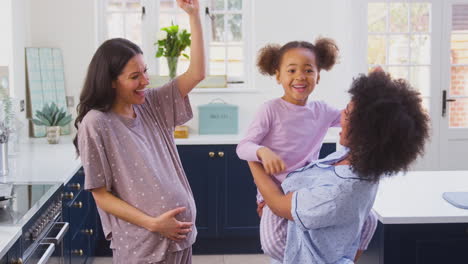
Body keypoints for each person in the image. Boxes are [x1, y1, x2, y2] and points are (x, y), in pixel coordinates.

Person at [248, 71, 430, 263]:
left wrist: (253, 156)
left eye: (348, 113)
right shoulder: (349, 159)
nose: (341, 115)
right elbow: (369, 221)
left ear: (365, 132)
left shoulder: (341, 191)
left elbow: (274, 233)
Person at [72, 0, 204, 263]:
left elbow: (197, 73)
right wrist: (154, 224)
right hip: (143, 246)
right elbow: (101, 195)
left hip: (180, 239)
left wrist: (194, 16)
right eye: (135, 77)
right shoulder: (96, 123)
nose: (145, 81)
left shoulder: (152, 104)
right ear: (111, 81)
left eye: (145, 72)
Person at [236, 38, 377, 262]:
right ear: (278, 75)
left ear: (318, 76)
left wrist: (372, 91)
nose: (300, 76)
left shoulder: (321, 110)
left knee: (369, 220)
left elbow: (351, 117)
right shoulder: (270, 110)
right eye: (291, 70)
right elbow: (243, 147)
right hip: (276, 191)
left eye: (308, 70)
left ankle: (345, 259)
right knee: (273, 243)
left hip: (308, 188)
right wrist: (262, 152)